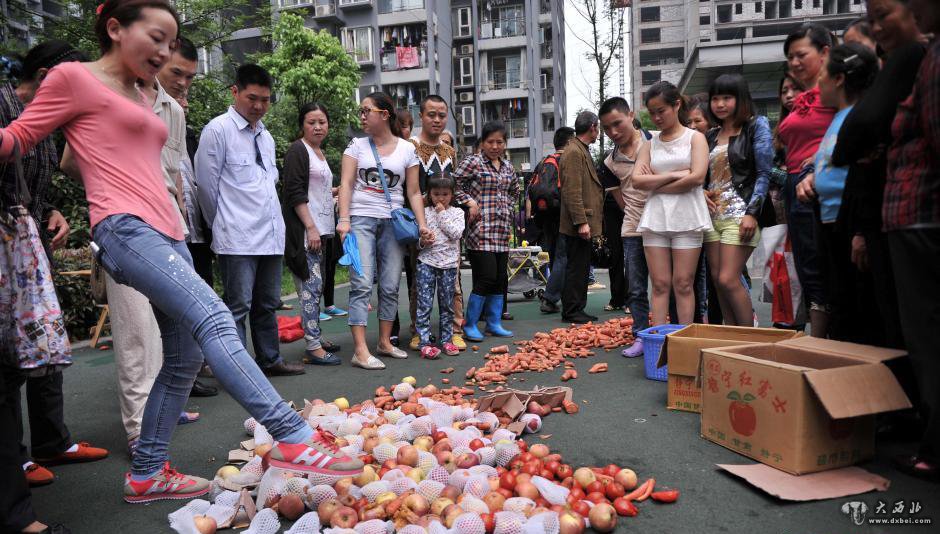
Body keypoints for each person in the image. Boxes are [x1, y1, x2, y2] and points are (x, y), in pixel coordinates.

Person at [0, 0, 362, 504]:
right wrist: (106, 194)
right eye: (157, 37)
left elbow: (78, 154)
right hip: (126, 229)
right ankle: (291, 435)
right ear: (114, 28)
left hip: (169, 231)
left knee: (185, 356)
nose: (166, 51)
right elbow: (17, 137)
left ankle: (147, 474)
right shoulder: (72, 77)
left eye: (171, 42)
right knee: (215, 318)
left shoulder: (140, 90)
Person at [0, 41, 105, 534]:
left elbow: (39, 188)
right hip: (8, 251)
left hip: (27, 247)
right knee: (9, 362)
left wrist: (48, 214)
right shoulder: (8, 107)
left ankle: (52, 442)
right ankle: (18, 462)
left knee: (46, 345)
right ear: (45, 75)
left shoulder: (44, 122)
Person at [196, 64, 304, 377]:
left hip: (270, 235)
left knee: (267, 303)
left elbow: (268, 186)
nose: (258, 106)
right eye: (252, 98)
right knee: (237, 305)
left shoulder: (266, 136)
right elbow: (206, 186)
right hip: (236, 236)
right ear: (235, 92)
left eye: (265, 100)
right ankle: (237, 368)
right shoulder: (218, 130)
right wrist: (222, 225)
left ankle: (270, 360)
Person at [831, 0, 927, 350]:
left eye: (883, 17)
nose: (879, 29)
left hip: (914, 217)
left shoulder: (912, 55)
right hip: (891, 217)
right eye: (872, 21)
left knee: (909, 324)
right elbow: (850, 147)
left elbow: (857, 134)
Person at [883, 0, 940, 484]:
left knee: (927, 334)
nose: (881, 25)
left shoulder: (926, 58)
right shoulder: (928, 54)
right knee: (919, 334)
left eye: (884, 13)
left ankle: (934, 444)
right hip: (909, 219)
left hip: (923, 218)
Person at [336, 92, 429, 370]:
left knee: (390, 284)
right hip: (361, 219)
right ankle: (360, 350)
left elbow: (412, 191)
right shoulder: (356, 145)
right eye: (361, 111)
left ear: (384, 115)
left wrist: (422, 223)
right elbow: (347, 184)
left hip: (394, 222)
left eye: (367, 110)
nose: (362, 116)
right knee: (362, 283)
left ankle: (385, 342)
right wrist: (343, 220)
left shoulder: (407, 149)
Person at [159, 36, 216, 388]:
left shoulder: (179, 121)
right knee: (165, 316)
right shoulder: (130, 105)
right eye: (177, 74)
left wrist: (181, 212)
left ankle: (190, 373)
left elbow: (180, 178)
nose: (184, 88)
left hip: (187, 227)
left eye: (190, 80)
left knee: (197, 304)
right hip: (146, 227)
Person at [633, 82, 711, 326]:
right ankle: (657, 341)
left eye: (661, 111)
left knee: (684, 284)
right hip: (656, 217)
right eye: (652, 112)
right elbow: (637, 180)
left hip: (688, 217)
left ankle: (683, 342)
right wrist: (676, 175)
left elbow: (697, 177)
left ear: (677, 105)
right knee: (659, 284)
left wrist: (654, 182)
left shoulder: (695, 138)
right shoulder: (649, 144)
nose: (656, 117)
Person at [777, 23, 836, 337]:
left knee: (820, 266)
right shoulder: (801, 98)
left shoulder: (836, 91)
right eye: (790, 57)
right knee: (806, 266)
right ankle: (819, 341)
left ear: (825, 52)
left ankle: (825, 342)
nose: (795, 63)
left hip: (818, 183)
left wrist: (816, 168)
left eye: (801, 55)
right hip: (795, 183)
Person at [703, 74, 775, 326]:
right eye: (715, 99)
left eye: (727, 98)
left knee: (727, 278)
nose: (720, 104)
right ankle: (731, 336)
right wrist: (701, 192)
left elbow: (764, 173)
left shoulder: (757, 125)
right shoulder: (710, 135)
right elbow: (702, 175)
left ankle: (748, 338)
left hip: (741, 213)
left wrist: (752, 212)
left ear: (740, 99)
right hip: (712, 217)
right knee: (717, 280)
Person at [282, 102, 343, 366]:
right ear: (302, 125)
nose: (318, 127)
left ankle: (315, 336)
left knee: (316, 288)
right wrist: (310, 228)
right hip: (307, 234)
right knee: (308, 288)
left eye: (322, 122)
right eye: (311, 122)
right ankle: (313, 346)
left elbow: (315, 191)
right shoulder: (299, 150)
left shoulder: (319, 152)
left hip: (323, 231)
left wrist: (336, 191)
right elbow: (295, 192)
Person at [405, 95, 466, 352]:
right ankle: (419, 331)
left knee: (453, 280)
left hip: (447, 224)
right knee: (420, 281)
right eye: (432, 114)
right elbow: (407, 188)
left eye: (442, 115)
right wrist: (419, 222)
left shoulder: (449, 150)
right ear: (421, 115)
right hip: (420, 223)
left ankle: (454, 330)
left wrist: (467, 203)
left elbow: (452, 187)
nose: (437, 119)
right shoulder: (409, 146)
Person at [452, 121, 518, 341]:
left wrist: (508, 208)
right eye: (490, 141)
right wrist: (469, 202)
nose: (495, 146)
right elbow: (453, 184)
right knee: (486, 277)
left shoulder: (508, 167)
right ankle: (470, 324)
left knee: (500, 278)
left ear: (505, 144)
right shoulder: (473, 162)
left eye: (500, 142)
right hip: (480, 231)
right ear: (482, 143)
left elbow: (514, 192)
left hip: (501, 232)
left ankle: (493, 323)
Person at [597, 97, 651, 356]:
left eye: (617, 124)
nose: (613, 132)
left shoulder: (655, 142)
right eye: (607, 128)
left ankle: (673, 331)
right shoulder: (608, 163)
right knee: (636, 286)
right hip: (633, 227)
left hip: (666, 224)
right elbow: (622, 201)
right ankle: (641, 335)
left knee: (671, 284)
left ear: (631, 115)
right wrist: (636, 215)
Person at [558, 111, 603, 324]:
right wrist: (582, 222)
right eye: (598, 127)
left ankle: (575, 308)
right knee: (577, 267)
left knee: (580, 267)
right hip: (578, 223)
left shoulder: (578, 149)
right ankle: (573, 310)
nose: (599, 131)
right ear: (593, 127)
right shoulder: (575, 151)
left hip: (581, 221)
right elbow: (571, 191)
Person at [415, 174, 465, 359]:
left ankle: (447, 340)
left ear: (452, 194)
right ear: (429, 194)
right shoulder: (424, 213)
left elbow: (456, 233)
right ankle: (424, 342)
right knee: (424, 304)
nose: (440, 198)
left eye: (445, 194)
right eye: (436, 194)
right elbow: (416, 242)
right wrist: (422, 242)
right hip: (426, 263)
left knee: (447, 305)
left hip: (449, 265)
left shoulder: (458, 213)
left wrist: (442, 213)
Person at [537, 127, 576, 314]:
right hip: (562, 214)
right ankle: (550, 297)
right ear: (569, 142)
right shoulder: (567, 161)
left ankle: (557, 295)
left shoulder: (545, 161)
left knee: (554, 256)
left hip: (546, 217)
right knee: (563, 257)